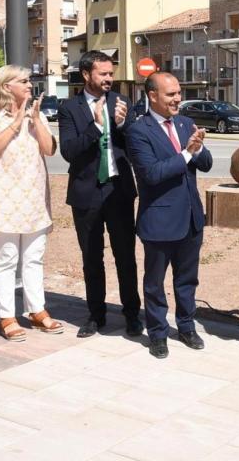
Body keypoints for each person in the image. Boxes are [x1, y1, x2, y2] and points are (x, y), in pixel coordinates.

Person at [125, 72, 212, 359]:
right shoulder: (139, 131)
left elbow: (207, 164)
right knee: (155, 283)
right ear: (153, 96)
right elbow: (151, 174)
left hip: (191, 218)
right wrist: (187, 153)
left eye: (178, 93)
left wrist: (199, 148)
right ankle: (158, 333)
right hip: (159, 221)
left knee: (187, 280)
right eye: (171, 94)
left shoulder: (186, 123)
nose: (178, 99)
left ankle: (186, 327)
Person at [58, 50, 142, 338]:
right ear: (86, 74)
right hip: (86, 194)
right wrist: (95, 126)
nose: (109, 78)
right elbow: (69, 151)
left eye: (111, 73)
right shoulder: (69, 108)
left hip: (118, 191)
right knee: (92, 258)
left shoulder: (122, 102)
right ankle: (96, 315)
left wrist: (122, 124)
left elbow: (135, 145)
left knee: (125, 257)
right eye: (103, 73)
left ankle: (132, 314)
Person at [0, 65, 63, 342]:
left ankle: (36, 310)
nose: (29, 85)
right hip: (4, 199)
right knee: (7, 259)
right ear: (6, 86)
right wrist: (16, 122)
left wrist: (35, 119)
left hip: (35, 198)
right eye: (24, 81)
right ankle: (7, 316)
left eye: (29, 81)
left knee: (34, 257)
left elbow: (49, 149)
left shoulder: (36, 115)